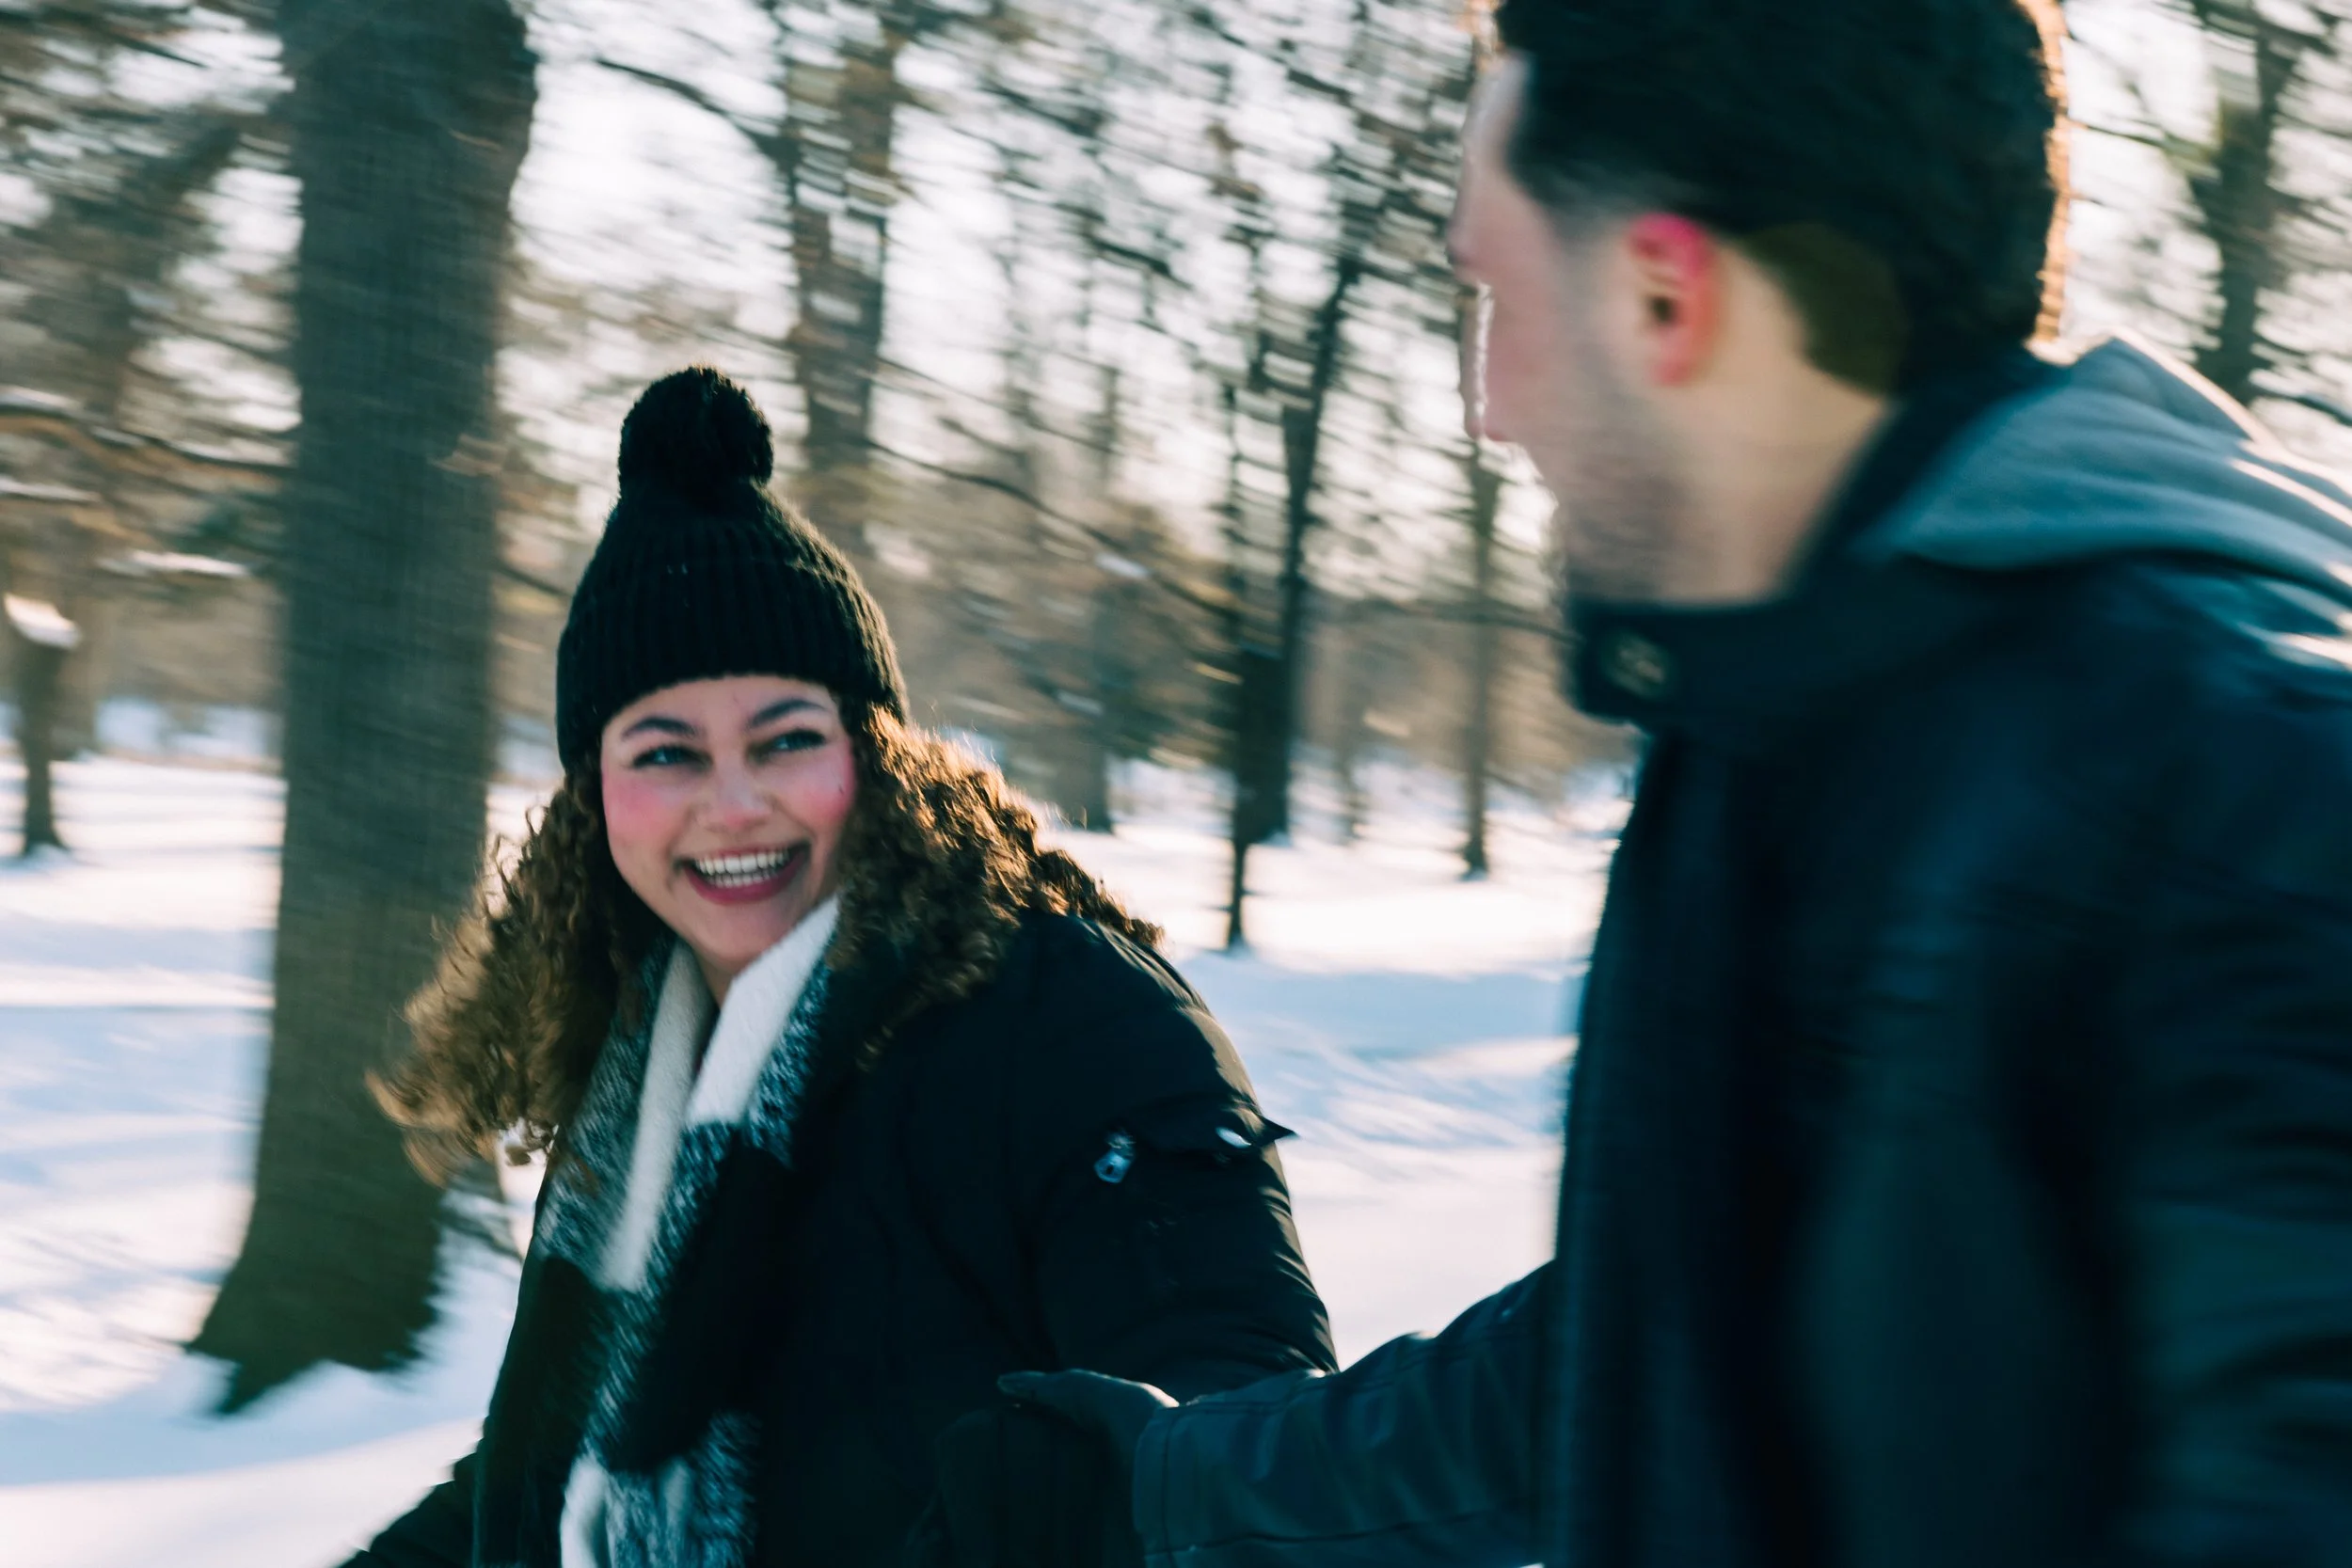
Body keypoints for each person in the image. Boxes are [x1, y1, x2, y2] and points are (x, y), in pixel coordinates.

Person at [950, 1, 2352, 1565]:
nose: (1494, 407)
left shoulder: (2248, 803)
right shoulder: (1796, 721)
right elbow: (1669, 1336)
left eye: (1499, 289)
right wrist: (1167, 1484)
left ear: (1665, 297)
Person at [341, 367, 1334, 1568]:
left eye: (786, 739)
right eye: (666, 752)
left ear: (876, 754)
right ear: (593, 797)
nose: (734, 802)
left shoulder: (1076, 1030)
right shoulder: (638, 1074)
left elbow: (1246, 1438)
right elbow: (564, 1460)